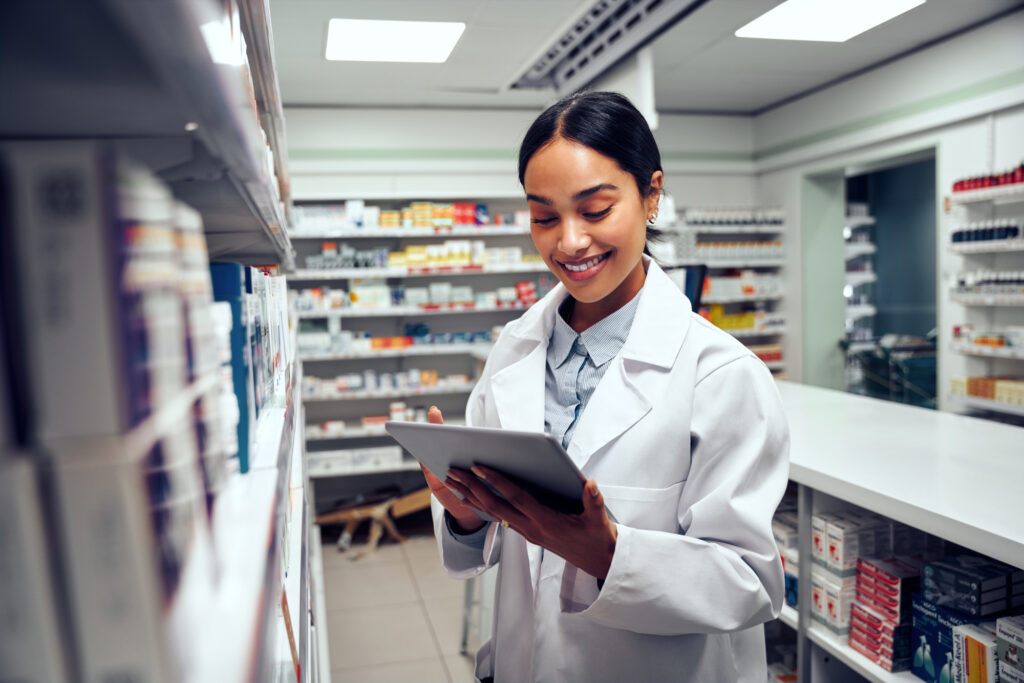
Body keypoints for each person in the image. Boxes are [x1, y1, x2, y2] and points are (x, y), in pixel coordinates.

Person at [421, 91, 789, 682]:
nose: (568, 242)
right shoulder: (515, 350)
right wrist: (469, 515)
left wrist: (612, 555)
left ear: (651, 194)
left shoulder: (721, 374)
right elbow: (499, 550)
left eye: (594, 210)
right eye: (544, 217)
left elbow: (750, 584)